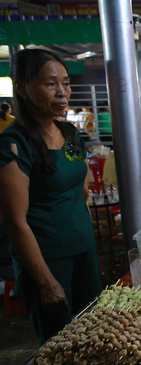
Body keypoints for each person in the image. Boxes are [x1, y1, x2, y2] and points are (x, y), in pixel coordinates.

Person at [0, 48, 102, 343]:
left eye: (66, 83)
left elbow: (81, 186)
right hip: (48, 260)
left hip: (84, 250)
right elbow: (14, 222)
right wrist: (45, 282)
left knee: (96, 336)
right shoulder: (13, 144)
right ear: (22, 87)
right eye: (50, 84)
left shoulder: (69, 134)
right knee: (62, 344)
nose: (62, 92)